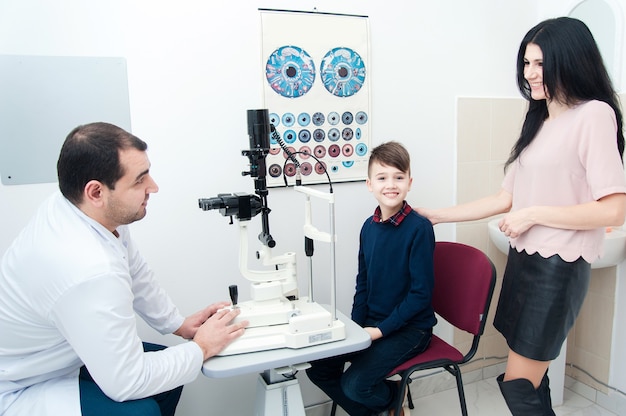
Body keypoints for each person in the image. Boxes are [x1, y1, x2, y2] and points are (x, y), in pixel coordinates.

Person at [417, 17, 626, 415]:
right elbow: (503, 198)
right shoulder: (540, 120)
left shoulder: (594, 115)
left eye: (540, 63)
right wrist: (435, 216)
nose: (529, 73)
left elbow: (614, 208)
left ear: (571, 60)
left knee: (518, 387)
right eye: (526, 63)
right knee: (533, 380)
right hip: (525, 262)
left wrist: (533, 214)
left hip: (558, 269)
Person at [0, 122, 248, 416]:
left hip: (60, 355)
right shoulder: (87, 267)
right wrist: (202, 348)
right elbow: (127, 383)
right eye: (139, 180)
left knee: (170, 375)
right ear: (96, 192)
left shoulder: (83, 209)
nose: (153, 187)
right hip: (21, 385)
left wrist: (178, 325)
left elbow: (136, 272)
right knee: (142, 410)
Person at [306, 141, 436, 416]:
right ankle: (386, 404)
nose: (391, 184)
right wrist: (354, 327)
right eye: (382, 177)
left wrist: (379, 331)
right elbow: (362, 283)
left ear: (409, 183)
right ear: (369, 184)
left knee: (355, 387)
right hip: (372, 323)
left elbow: (420, 296)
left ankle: (393, 396)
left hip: (411, 330)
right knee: (318, 370)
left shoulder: (419, 229)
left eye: (398, 177)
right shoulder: (368, 227)